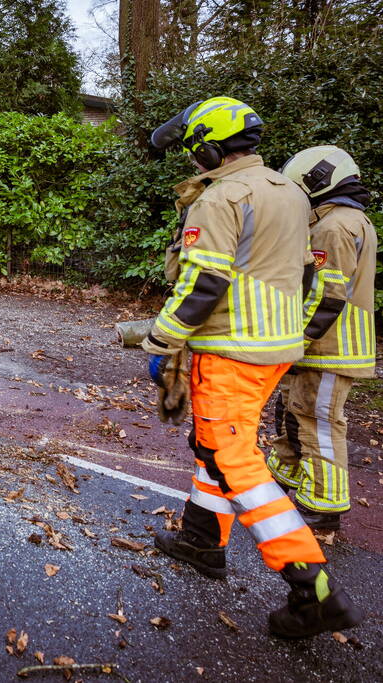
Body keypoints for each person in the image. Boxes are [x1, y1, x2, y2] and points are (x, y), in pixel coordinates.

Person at [144, 97, 363, 638]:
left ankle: (312, 589)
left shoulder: (222, 196)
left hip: (231, 352)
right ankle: (202, 539)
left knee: (232, 457)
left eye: (194, 151)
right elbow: (305, 277)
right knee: (214, 443)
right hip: (274, 350)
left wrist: (162, 337)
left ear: (208, 149)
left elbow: (204, 281)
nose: (192, 160)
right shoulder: (290, 192)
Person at [267, 146, 377, 531]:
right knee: (295, 411)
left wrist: (295, 341)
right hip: (326, 344)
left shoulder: (333, 227)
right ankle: (284, 473)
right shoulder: (349, 219)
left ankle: (325, 504)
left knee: (319, 422)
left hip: (330, 346)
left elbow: (325, 296)